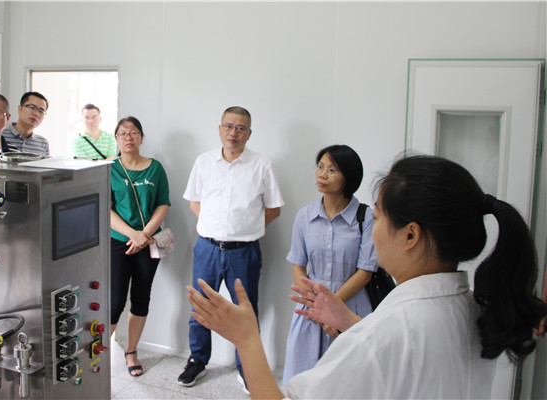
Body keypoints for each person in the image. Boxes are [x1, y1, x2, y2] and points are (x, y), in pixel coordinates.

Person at [186, 155, 547, 399]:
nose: (372, 229)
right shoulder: (474, 310)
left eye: (378, 218)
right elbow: (404, 359)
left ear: (410, 235)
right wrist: (349, 322)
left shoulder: (385, 333)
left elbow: (387, 345)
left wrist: (247, 339)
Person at [178, 106, 284, 390]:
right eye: (228, 126)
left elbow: (274, 209)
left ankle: (247, 366)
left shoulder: (263, 166)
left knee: (245, 311)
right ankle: (197, 360)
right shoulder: (204, 162)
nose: (233, 132)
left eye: (240, 128)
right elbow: (195, 202)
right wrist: (216, 228)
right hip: (207, 248)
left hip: (244, 252)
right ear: (220, 129)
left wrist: (246, 229)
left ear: (249, 133)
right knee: (200, 305)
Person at [282, 145, 376, 385]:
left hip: (351, 307)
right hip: (311, 308)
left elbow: (365, 272)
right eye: (320, 167)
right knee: (303, 380)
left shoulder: (367, 218)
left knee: (349, 382)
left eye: (332, 170)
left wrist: (331, 308)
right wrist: (317, 306)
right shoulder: (304, 216)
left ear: (349, 177)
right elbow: (298, 266)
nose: (322, 175)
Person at [110, 116, 170, 377]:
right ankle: (97, 353)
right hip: (118, 241)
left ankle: (131, 351)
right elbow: (106, 208)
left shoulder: (155, 168)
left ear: (142, 137)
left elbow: (163, 204)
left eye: (134, 132)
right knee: (114, 301)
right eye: (123, 133)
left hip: (148, 242)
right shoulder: (109, 168)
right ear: (116, 138)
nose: (128, 137)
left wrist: (143, 236)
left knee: (141, 297)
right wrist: (132, 234)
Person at [1, 91, 50, 156]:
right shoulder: (1, 135)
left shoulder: (43, 143)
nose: (36, 114)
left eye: (41, 111)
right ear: (19, 109)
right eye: (32, 107)